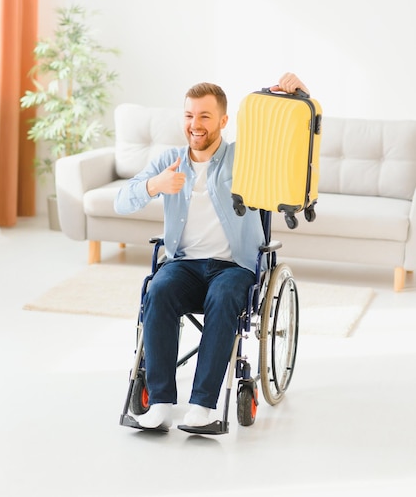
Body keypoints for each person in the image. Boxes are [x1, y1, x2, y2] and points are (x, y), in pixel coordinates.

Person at [114, 72, 309, 431]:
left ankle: (202, 408)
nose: (195, 125)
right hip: (185, 264)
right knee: (158, 291)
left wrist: (299, 94)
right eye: (189, 115)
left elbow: (290, 145)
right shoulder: (169, 160)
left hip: (233, 266)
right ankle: (158, 405)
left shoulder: (244, 157)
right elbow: (121, 200)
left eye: (204, 116)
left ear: (222, 120)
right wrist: (155, 185)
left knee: (223, 298)